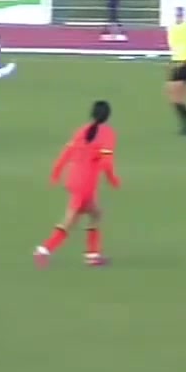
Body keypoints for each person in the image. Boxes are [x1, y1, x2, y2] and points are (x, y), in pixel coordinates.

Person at [36, 100, 119, 268]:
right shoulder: (108, 134)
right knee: (72, 220)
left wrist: (56, 173)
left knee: (93, 214)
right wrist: (113, 179)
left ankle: (92, 254)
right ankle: (45, 250)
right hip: (86, 185)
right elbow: (106, 162)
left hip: (73, 179)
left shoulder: (81, 130)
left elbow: (66, 153)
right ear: (107, 116)